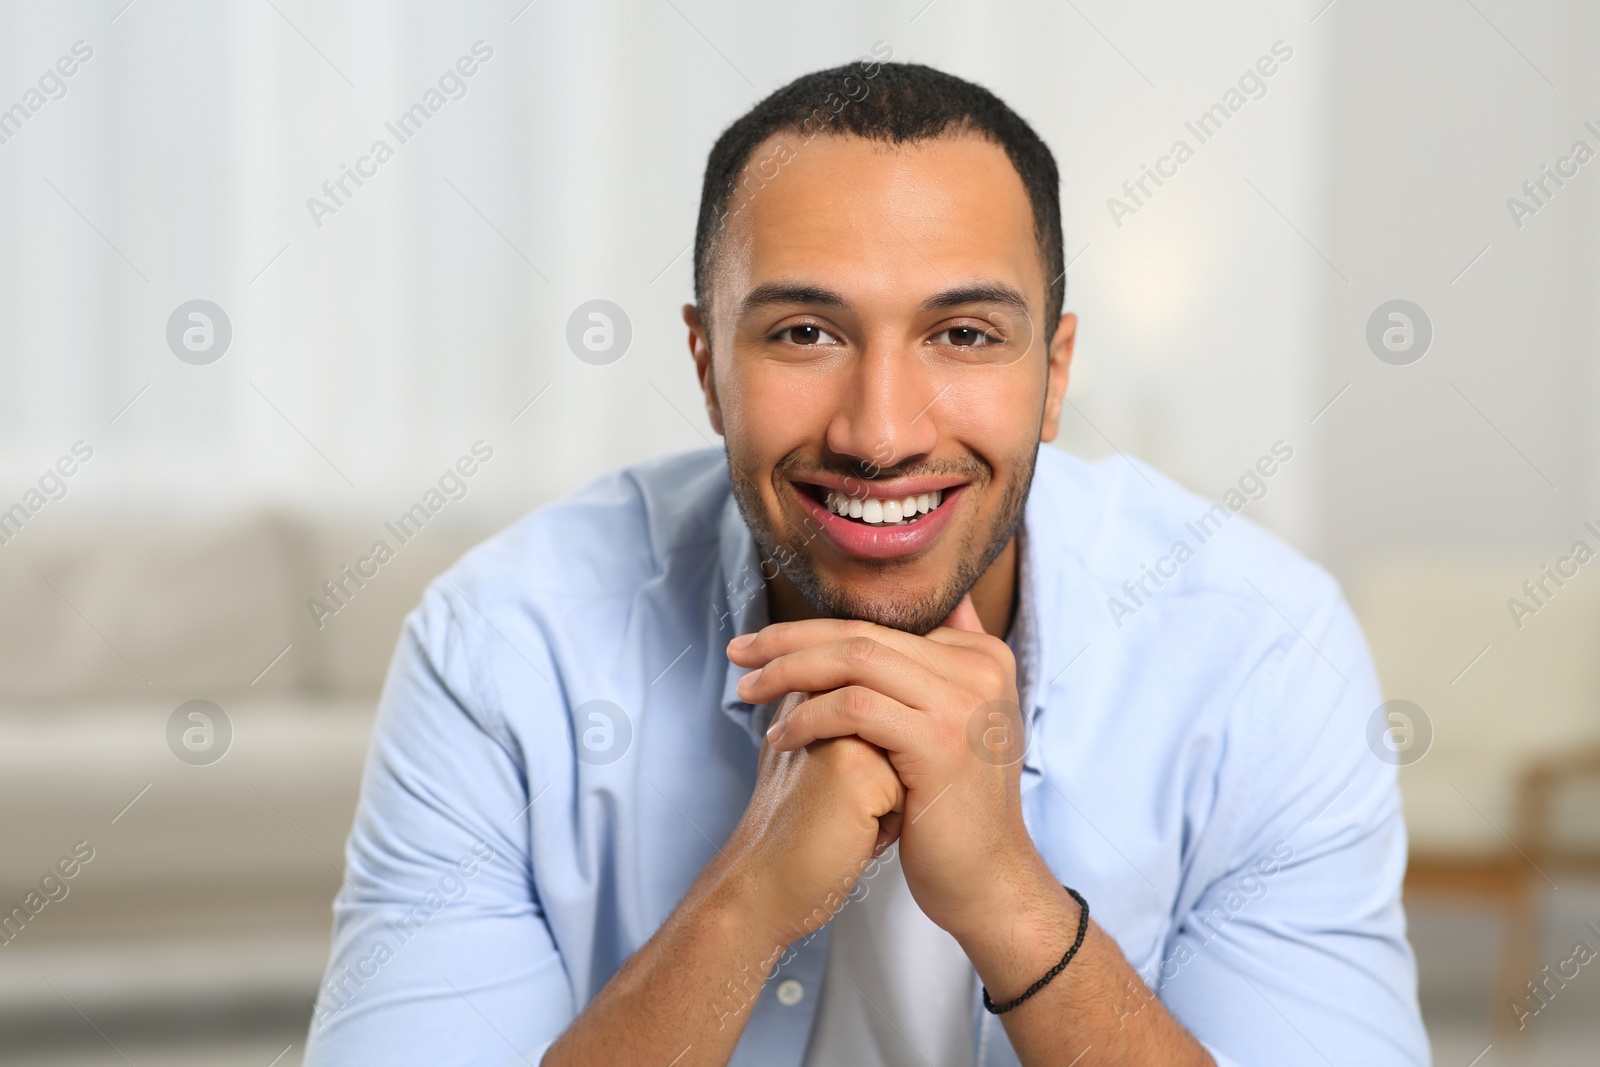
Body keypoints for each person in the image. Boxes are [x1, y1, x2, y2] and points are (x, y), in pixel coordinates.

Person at [305, 60, 1428, 1067]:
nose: (880, 431)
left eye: (965, 334)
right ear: (706, 364)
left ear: (1054, 370)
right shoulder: (500, 645)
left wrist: (1010, 901)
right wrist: (746, 902)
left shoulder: (1262, 649)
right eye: (804, 332)